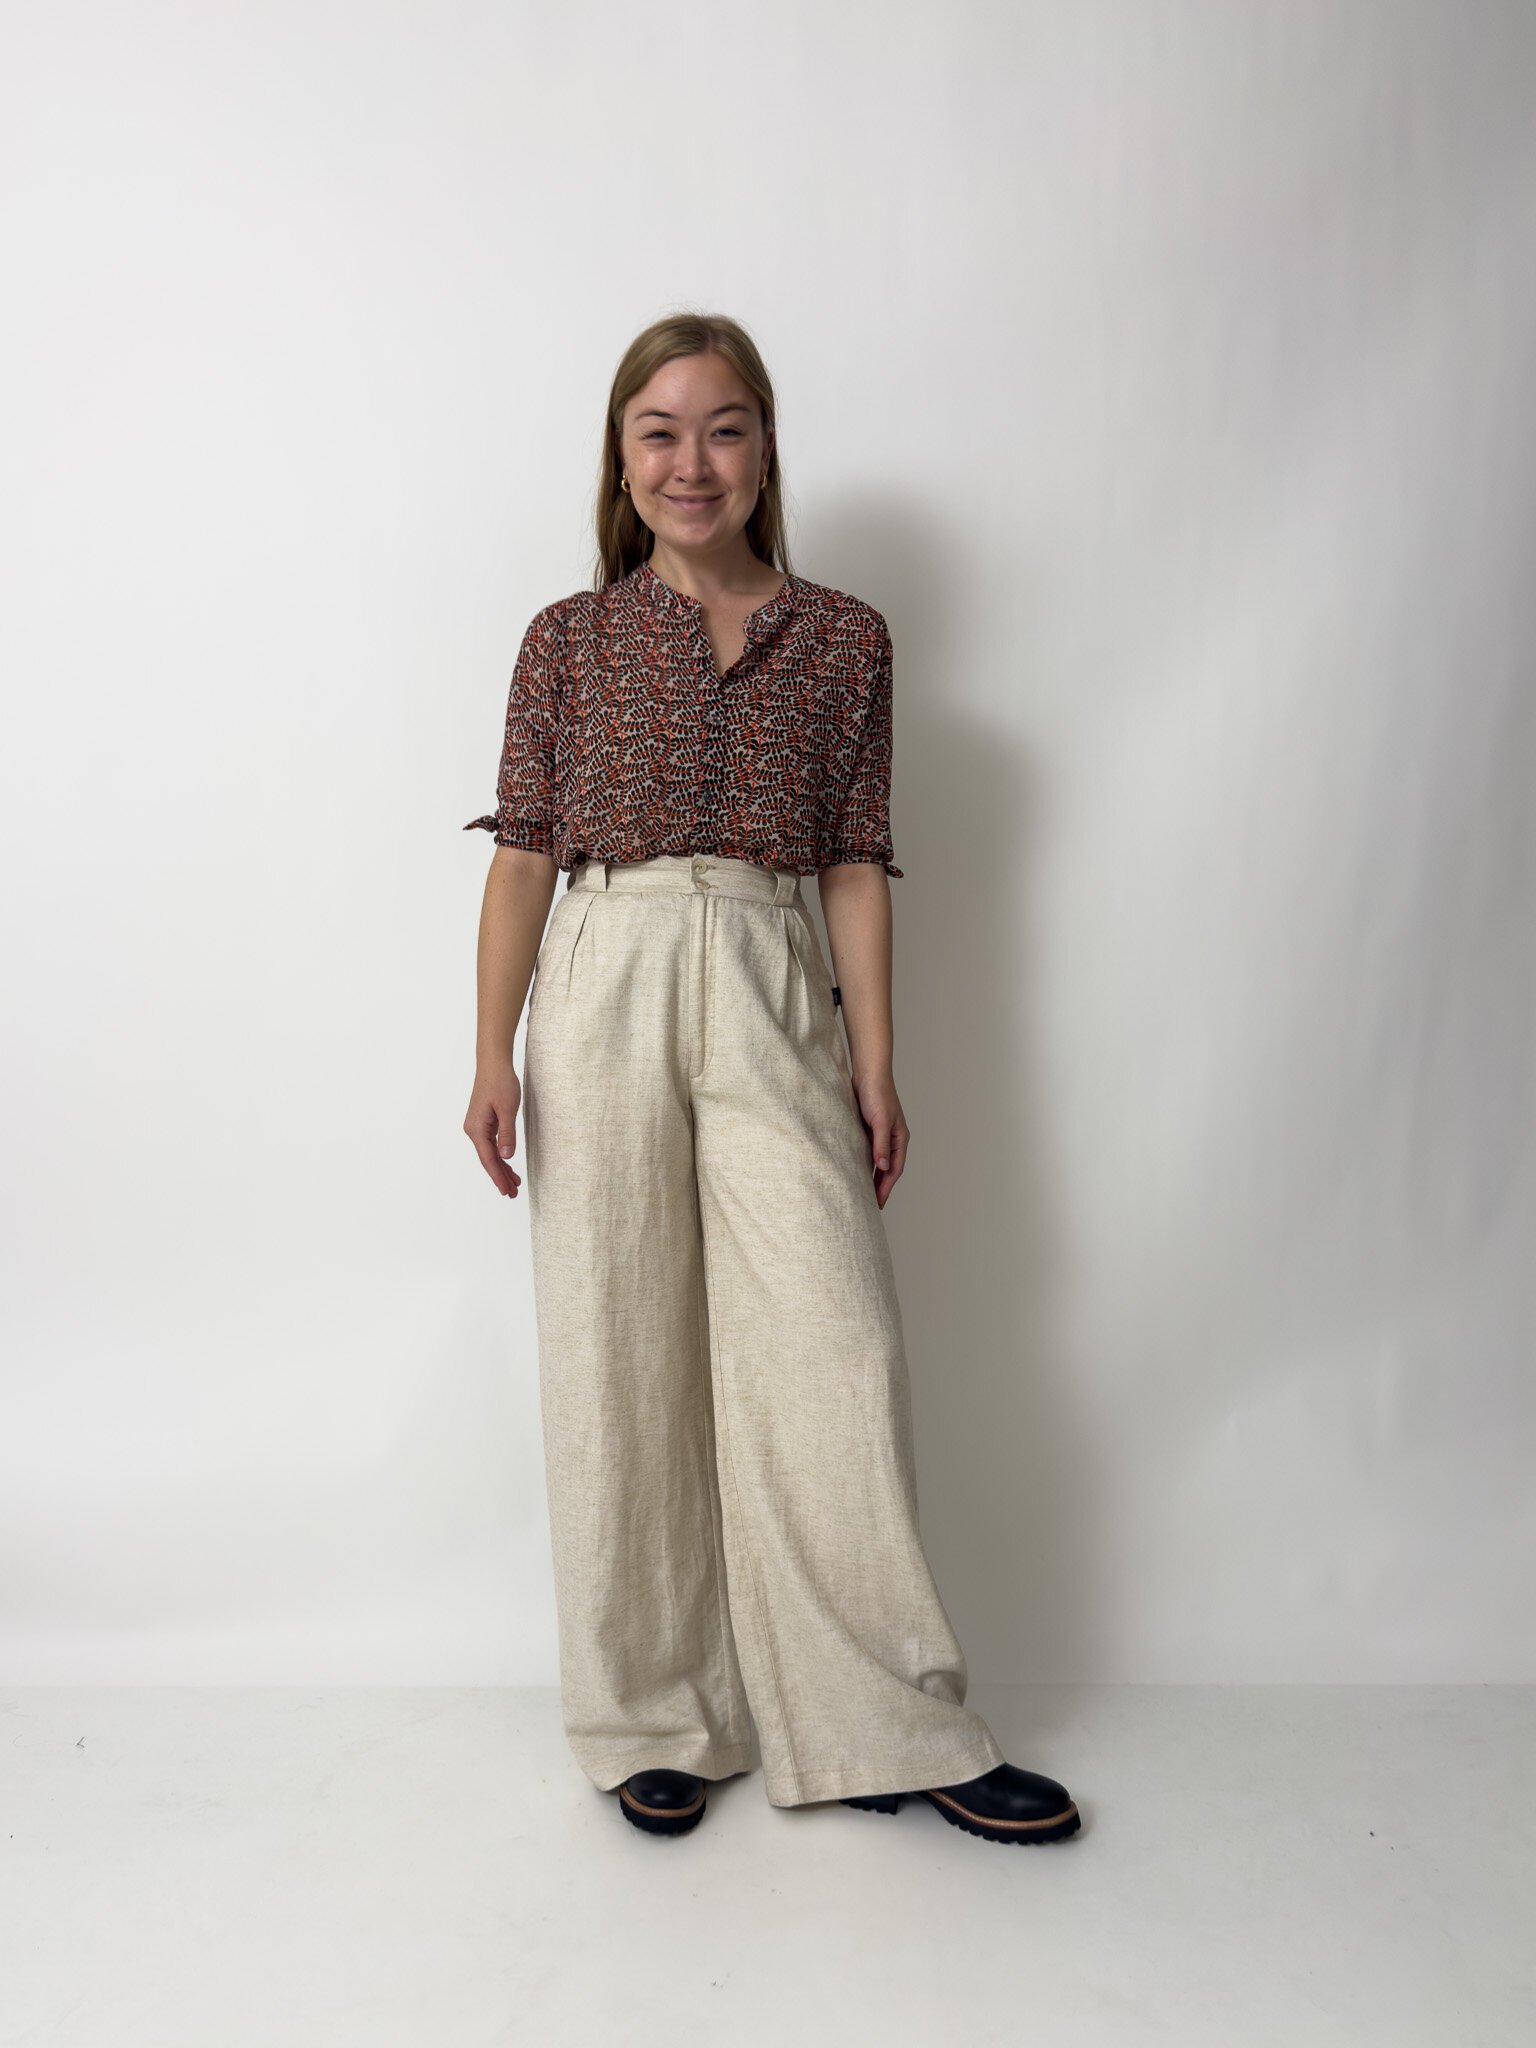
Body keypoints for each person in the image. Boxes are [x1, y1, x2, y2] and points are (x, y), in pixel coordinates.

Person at [462, 311, 1081, 1847]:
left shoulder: (846, 639)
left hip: (765, 966)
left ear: (764, 451)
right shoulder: (567, 640)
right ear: (621, 457)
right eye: (660, 430)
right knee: (616, 1347)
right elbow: (525, 855)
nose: (693, 461)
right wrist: (490, 1052)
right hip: (601, 970)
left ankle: (890, 1720)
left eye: (724, 427)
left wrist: (875, 1062)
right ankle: (655, 1713)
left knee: (836, 1344)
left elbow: (855, 860)